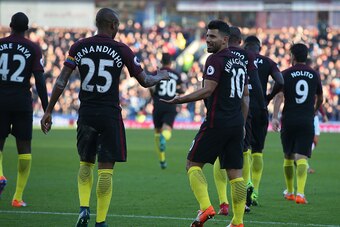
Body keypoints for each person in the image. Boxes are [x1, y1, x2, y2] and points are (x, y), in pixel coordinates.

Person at [40, 8, 169, 227]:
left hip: (87, 113)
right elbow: (145, 80)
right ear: (112, 25)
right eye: (117, 25)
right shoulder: (122, 49)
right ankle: (100, 221)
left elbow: (61, 81)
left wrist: (49, 110)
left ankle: (83, 209)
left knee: (85, 162)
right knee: (106, 169)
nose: (118, 29)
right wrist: (161, 76)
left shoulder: (78, 47)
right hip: (109, 114)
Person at [161, 20, 249, 227]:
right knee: (236, 175)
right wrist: (242, 124)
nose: (208, 40)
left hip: (217, 121)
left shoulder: (214, 60)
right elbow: (245, 97)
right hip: (236, 123)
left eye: (212, 36)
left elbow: (208, 89)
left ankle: (206, 206)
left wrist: (179, 99)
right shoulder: (239, 61)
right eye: (207, 36)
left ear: (225, 39)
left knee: (192, 164)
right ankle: (237, 222)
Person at [212, 27, 266, 214]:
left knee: (220, 153)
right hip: (242, 111)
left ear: (226, 39)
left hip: (220, 110)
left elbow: (208, 86)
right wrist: (262, 107)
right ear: (240, 41)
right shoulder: (247, 56)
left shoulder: (217, 55)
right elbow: (255, 83)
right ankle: (244, 196)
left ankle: (223, 202)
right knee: (243, 152)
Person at [0, 12, 48, 207]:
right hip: (22, 101)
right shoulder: (33, 48)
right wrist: (47, 108)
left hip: (0, 99)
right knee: (24, 148)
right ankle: (17, 197)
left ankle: (0, 176)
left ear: (10, 25)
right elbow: (40, 79)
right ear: (27, 29)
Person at [272, 43, 323, 204]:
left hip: (289, 119)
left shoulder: (285, 73)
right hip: (306, 119)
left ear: (292, 56)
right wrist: (314, 110)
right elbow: (320, 98)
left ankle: (290, 192)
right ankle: (300, 194)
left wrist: (274, 116)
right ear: (306, 56)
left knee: (288, 156)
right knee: (302, 157)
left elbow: (279, 96)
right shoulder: (314, 74)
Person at [243, 35, 284, 205]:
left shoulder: (239, 59)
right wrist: (269, 96)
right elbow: (280, 81)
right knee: (258, 151)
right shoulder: (268, 62)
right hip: (260, 108)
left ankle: (247, 182)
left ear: (245, 47)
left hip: (242, 107)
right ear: (259, 48)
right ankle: (255, 192)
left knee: (243, 149)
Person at [149, 52, 185, 169]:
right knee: (167, 130)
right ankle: (164, 137)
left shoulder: (157, 73)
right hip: (170, 104)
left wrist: (153, 95)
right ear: (171, 62)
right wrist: (177, 90)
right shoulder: (176, 74)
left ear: (161, 62)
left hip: (158, 104)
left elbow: (150, 86)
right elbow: (183, 89)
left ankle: (162, 160)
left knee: (157, 133)